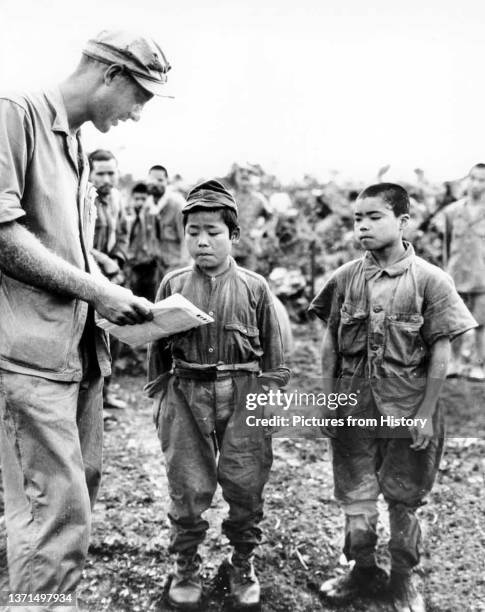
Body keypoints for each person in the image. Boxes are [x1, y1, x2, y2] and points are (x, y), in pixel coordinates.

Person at [0, 29, 170, 608]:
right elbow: (3, 236)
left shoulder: (74, 144)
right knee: (53, 508)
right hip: (30, 354)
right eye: (140, 96)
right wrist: (97, 288)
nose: (139, 113)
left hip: (78, 353)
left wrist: (100, 277)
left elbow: (54, 244)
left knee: (78, 492)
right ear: (110, 76)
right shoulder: (13, 115)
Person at [308, 183, 476, 612]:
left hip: (407, 407)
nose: (362, 225)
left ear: (403, 222)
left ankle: (402, 579)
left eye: (374, 217)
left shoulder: (431, 281)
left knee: (404, 495)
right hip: (355, 406)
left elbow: (441, 350)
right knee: (356, 493)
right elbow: (330, 343)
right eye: (356, 218)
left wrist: (424, 414)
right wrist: (330, 402)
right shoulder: (345, 278)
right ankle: (361, 570)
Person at [147, 179, 290, 609]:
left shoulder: (255, 287)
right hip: (185, 392)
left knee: (246, 484)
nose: (202, 241)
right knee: (187, 487)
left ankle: (242, 561)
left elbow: (277, 363)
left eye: (213, 231)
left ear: (234, 236)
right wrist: (162, 401)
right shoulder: (172, 284)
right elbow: (156, 352)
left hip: (243, 392)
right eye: (193, 232)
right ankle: (185, 564)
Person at [89, 148, 129, 411]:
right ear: (90, 174)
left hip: (112, 275)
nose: (106, 179)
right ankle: (92, 403)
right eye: (100, 173)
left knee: (115, 333)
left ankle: (107, 392)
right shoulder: (82, 198)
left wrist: (118, 261)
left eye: (110, 173)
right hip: (87, 274)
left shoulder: (116, 198)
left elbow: (124, 231)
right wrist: (104, 261)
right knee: (90, 338)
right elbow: (78, 239)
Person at [437, 163, 485, 379]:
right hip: (455, 276)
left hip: (481, 278)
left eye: (482, 180)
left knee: (481, 324)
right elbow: (447, 245)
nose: (476, 184)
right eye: (473, 178)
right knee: (454, 323)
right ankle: (454, 363)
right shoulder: (452, 212)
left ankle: (479, 365)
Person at [146, 164, 189, 291]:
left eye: (160, 180)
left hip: (177, 264)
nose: (155, 184)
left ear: (167, 182)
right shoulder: (149, 205)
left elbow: (186, 238)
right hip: (159, 264)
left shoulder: (178, 204)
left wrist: (184, 268)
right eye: (152, 180)